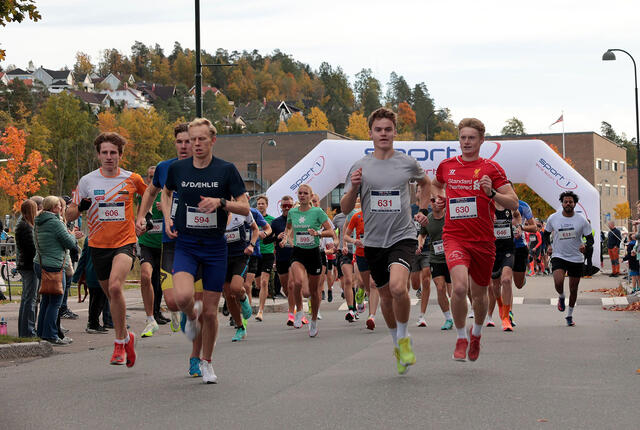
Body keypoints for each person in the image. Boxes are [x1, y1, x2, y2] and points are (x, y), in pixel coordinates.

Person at [341, 107, 431, 375]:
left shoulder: (407, 163)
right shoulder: (360, 167)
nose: (383, 134)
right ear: (370, 133)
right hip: (374, 242)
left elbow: (426, 184)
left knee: (398, 288)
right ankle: (396, 342)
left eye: (388, 130)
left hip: (402, 236)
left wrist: (422, 210)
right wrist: (355, 187)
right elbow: (345, 208)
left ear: (395, 133)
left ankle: (403, 335)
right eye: (378, 130)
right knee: (385, 296)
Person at [161, 117, 249, 384]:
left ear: (212, 140)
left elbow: (244, 207)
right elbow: (165, 193)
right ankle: (190, 317)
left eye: (201, 139)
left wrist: (221, 202)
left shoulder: (226, 170)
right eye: (191, 139)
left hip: (214, 248)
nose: (196, 144)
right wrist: (167, 218)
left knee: (210, 311)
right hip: (186, 244)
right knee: (183, 297)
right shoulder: (179, 169)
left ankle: (207, 362)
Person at [431, 117, 517, 362]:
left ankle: (476, 333)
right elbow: (436, 185)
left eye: (471, 138)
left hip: (483, 240)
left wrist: (492, 192)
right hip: (454, 236)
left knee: (480, 295)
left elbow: (511, 202)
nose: (466, 142)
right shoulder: (447, 165)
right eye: (463, 137)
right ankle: (460, 337)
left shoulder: (492, 168)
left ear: (481, 140)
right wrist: (439, 198)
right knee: (458, 287)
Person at [66, 132, 146, 366]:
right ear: (98, 155)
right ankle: (126, 337)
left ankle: (119, 344)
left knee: (114, 286)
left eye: (113, 153)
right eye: (105, 153)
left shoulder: (132, 179)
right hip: (97, 246)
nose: (109, 157)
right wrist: (80, 206)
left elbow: (151, 196)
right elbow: (68, 214)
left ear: (120, 155)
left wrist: (143, 218)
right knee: (112, 295)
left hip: (125, 242)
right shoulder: (87, 181)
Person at [281, 184, 334, 337]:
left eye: (305, 193)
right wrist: (287, 238)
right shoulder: (292, 212)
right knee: (297, 282)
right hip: (298, 252)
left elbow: (330, 231)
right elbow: (289, 227)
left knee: (313, 291)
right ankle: (299, 311)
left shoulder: (318, 212)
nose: (302, 195)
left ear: (311, 196)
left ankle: (314, 321)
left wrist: (317, 233)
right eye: (300, 193)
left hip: (314, 253)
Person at [34, 196, 84, 345]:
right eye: (58, 206)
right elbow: (69, 243)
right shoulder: (55, 222)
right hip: (54, 265)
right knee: (55, 301)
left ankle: (42, 332)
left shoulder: (38, 221)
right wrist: (73, 235)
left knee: (46, 300)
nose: (61, 209)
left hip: (40, 262)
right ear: (52, 208)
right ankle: (51, 334)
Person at [543, 191, 593, 327]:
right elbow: (545, 234)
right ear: (562, 203)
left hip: (576, 257)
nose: (568, 204)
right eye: (566, 202)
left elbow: (590, 239)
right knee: (558, 281)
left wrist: (585, 246)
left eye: (571, 202)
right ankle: (561, 296)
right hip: (559, 255)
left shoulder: (581, 220)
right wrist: (548, 246)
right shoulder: (553, 218)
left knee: (574, 288)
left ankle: (569, 315)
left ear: (575, 204)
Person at [223, 206, 259, 341]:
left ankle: (243, 297)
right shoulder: (214, 214)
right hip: (222, 258)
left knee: (236, 288)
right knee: (229, 296)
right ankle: (240, 328)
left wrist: (252, 245)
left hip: (240, 257)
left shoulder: (242, 211)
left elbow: (255, 229)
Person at [263, 195, 300, 326]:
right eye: (284, 206)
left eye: (289, 206)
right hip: (281, 258)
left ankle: (292, 314)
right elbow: (265, 240)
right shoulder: (276, 222)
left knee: (291, 285)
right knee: (286, 288)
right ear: (281, 207)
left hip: (295, 257)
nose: (287, 208)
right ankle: (296, 307)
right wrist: (276, 237)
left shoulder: (297, 219)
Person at [137, 165, 165, 338]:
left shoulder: (169, 194)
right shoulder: (144, 196)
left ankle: (160, 311)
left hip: (165, 245)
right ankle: (150, 317)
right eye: (149, 176)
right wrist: (139, 227)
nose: (151, 179)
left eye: (154, 176)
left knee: (162, 282)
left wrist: (167, 210)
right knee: (146, 276)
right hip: (147, 243)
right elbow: (139, 218)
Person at [487, 197, 521, 331]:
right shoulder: (487, 204)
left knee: (506, 280)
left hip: (508, 248)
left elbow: (517, 216)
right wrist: (488, 220)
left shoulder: (510, 205)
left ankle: (506, 317)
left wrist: (518, 227)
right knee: (495, 285)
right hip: (492, 249)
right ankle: (501, 305)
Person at [422, 197, 453, 330]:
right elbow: (422, 235)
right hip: (436, 258)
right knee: (440, 288)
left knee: (456, 291)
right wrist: (420, 243)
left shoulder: (450, 216)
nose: (435, 203)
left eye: (438, 200)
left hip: (452, 257)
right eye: (432, 200)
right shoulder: (427, 219)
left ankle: (465, 311)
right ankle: (448, 318)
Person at [345, 209, 379, 330]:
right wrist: (354, 241)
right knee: (364, 284)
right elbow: (346, 235)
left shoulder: (378, 214)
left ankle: (371, 316)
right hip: (361, 255)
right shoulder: (356, 216)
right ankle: (365, 302)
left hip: (376, 254)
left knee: (373, 284)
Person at [73, 237, 109, 334]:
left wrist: (76, 276)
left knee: (94, 299)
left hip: (90, 273)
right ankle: (93, 324)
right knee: (99, 300)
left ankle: (93, 323)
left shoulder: (89, 238)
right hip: (100, 273)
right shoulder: (106, 238)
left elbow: (83, 258)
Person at [16, 199, 38, 338]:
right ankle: (27, 331)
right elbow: (31, 247)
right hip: (29, 266)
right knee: (30, 299)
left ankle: (25, 330)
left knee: (27, 298)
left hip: (26, 265)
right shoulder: (26, 227)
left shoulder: (22, 225)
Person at [255, 195, 276, 321]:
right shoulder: (252, 218)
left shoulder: (272, 220)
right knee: (258, 284)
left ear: (267, 205)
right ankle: (260, 298)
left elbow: (275, 237)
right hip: (255, 254)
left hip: (267, 254)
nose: (261, 205)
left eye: (263, 203)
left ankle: (260, 311)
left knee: (264, 282)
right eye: (259, 204)